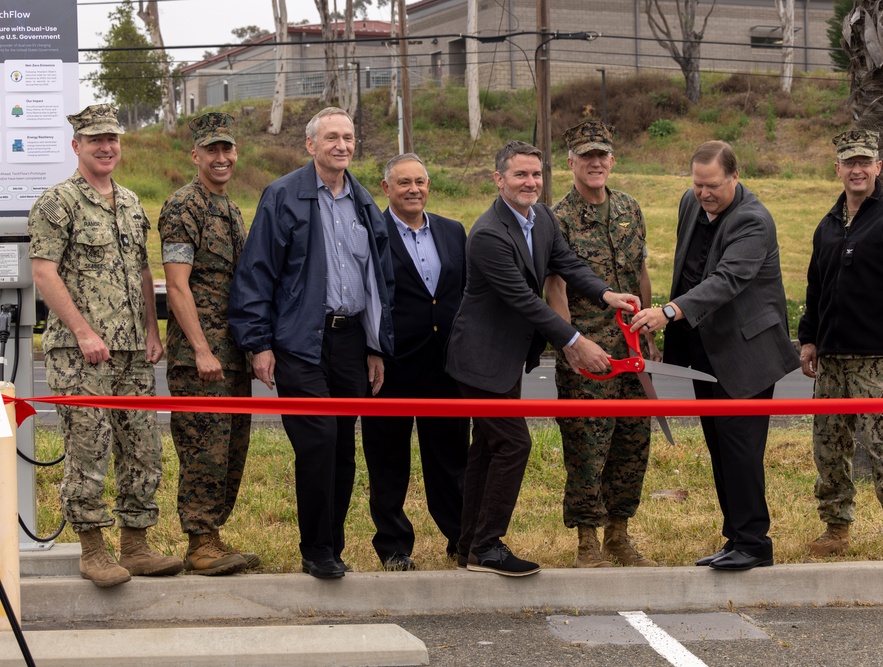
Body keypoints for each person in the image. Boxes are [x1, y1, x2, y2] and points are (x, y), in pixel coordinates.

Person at [446, 140, 640, 577]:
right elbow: (524, 302)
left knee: (488, 449)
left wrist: (606, 293)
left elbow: (566, 263)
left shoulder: (542, 217)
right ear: (499, 180)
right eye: (519, 175)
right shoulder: (489, 235)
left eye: (536, 174)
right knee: (514, 444)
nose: (530, 182)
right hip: (479, 360)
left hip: (505, 359)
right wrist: (576, 342)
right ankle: (489, 546)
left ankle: (469, 547)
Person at [229, 107, 394, 579]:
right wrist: (259, 343)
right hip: (299, 343)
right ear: (311, 146)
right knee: (318, 442)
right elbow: (257, 273)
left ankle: (332, 548)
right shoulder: (282, 196)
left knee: (343, 447)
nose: (341, 146)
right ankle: (316, 548)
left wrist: (374, 346)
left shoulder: (363, 203)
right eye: (331, 138)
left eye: (348, 138)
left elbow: (379, 281)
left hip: (350, 342)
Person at [28, 104, 184, 588]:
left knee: (142, 446)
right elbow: (43, 273)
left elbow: (142, 271)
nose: (106, 146)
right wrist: (81, 331)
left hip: (132, 351)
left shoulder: (133, 203)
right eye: (95, 139)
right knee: (88, 450)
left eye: (112, 139)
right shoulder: (58, 203)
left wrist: (152, 331)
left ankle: (136, 546)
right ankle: (93, 550)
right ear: (77, 145)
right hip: (80, 353)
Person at [630, 140, 798, 571]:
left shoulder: (753, 221)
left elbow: (727, 279)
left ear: (735, 178)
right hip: (705, 350)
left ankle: (755, 542)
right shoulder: (692, 203)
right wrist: (668, 325)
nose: (704, 194)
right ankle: (736, 537)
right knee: (720, 447)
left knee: (741, 449)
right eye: (698, 184)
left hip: (747, 352)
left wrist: (668, 311)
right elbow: (688, 268)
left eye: (713, 186)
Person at [798, 129, 883, 561]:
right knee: (829, 448)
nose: (857, 170)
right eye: (848, 162)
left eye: (865, 162)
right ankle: (836, 528)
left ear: (879, 167)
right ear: (837, 168)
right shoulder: (828, 225)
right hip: (833, 359)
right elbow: (816, 287)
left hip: (882, 360)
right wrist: (809, 338)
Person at [544, 121, 659, 569]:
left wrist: (648, 331)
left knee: (632, 444)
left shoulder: (630, 208)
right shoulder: (558, 218)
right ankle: (587, 542)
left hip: (632, 353)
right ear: (570, 162)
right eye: (586, 156)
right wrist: (572, 345)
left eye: (602, 156)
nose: (595, 163)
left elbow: (640, 273)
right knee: (587, 446)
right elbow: (555, 286)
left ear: (612, 161)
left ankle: (619, 535)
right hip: (590, 353)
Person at [360, 153, 469, 571]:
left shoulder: (453, 231)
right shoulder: (372, 233)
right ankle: (393, 546)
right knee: (388, 461)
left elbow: (461, 294)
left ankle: (461, 538)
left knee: (452, 459)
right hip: (390, 366)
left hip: (446, 367)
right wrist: (371, 348)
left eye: (420, 182)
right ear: (386, 188)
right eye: (404, 183)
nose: (413, 190)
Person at [158, 112, 255, 576]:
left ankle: (213, 536)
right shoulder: (184, 207)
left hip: (233, 353)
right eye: (211, 150)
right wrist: (200, 349)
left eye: (227, 149)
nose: (221, 157)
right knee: (203, 450)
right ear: (195, 155)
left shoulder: (232, 210)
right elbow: (177, 286)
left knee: (232, 451)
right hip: (200, 358)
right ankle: (199, 543)